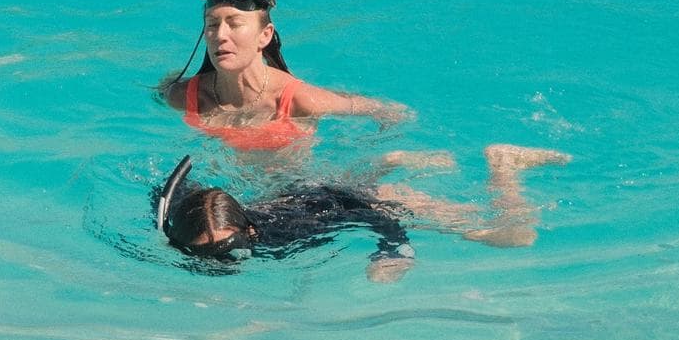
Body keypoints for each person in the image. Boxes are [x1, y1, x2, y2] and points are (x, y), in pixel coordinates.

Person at [157, 144, 568, 281]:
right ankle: (390, 158)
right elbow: (176, 191)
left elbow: (365, 210)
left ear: (248, 232)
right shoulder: (183, 227)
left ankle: (505, 164)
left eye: (229, 249)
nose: (221, 263)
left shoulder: (284, 235)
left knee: (512, 235)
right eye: (204, 256)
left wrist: (395, 247)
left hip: (359, 200)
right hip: (299, 191)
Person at [160, 0, 412, 154]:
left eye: (235, 24)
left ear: (265, 35)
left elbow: (390, 112)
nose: (220, 35)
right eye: (212, 25)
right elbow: (162, 90)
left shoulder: (300, 100)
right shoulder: (185, 96)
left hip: (295, 199)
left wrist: (376, 142)